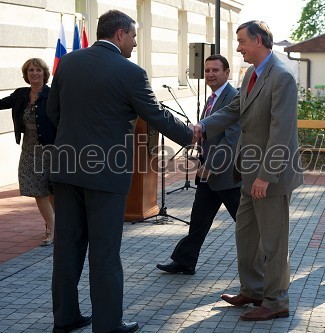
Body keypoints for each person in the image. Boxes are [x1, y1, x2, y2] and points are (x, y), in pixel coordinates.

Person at [47, 10, 194, 333]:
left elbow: (53, 111)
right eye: (133, 35)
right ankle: (108, 325)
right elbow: (155, 115)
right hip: (106, 175)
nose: (135, 42)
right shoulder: (131, 73)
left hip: (66, 170)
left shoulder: (68, 63)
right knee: (105, 254)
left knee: (66, 248)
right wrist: (189, 134)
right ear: (119, 35)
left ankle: (65, 318)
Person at [193, 20, 303, 321]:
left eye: (241, 41)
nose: (238, 47)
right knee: (246, 235)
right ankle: (253, 291)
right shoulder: (252, 74)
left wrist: (266, 176)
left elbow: (281, 132)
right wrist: (203, 126)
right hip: (247, 173)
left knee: (273, 241)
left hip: (271, 176)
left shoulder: (281, 77)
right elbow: (232, 110)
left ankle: (276, 301)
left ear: (257, 41)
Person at [156, 54, 241, 275]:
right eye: (207, 71)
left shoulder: (234, 98)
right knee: (198, 221)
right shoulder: (212, 98)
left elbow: (231, 139)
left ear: (227, 73)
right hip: (207, 173)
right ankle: (184, 261)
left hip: (225, 174)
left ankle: (268, 263)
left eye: (215, 70)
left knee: (244, 223)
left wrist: (211, 164)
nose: (210, 74)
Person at [0, 58, 56, 246]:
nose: (34, 73)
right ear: (26, 74)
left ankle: (53, 228)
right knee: (38, 190)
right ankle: (53, 228)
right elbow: (2, 103)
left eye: (38, 70)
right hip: (29, 149)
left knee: (50, 190)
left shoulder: (52, 94)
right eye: (31, 70)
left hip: (50, 149)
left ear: (44, 73)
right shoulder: (21, 94)